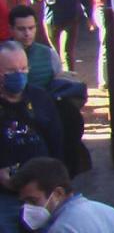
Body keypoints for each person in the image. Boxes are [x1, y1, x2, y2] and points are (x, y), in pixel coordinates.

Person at [0, 41, 63, 232]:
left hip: (43, 196)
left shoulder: (40, 98)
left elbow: (57, 142)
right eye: (11, 71)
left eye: (23, 68)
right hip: (5, 199)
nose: (19, 74)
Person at [12, 157, 114, 232]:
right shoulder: (110, 212)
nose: (26, 208)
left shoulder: (62, 228)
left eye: (33, 201)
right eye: (23, 202)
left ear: (58, 193)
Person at [7, 5, 61, 90]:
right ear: (10, 29)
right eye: (21, 29)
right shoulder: (2, 55)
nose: (27, 33)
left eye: (31, 28)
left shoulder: (50, 55)